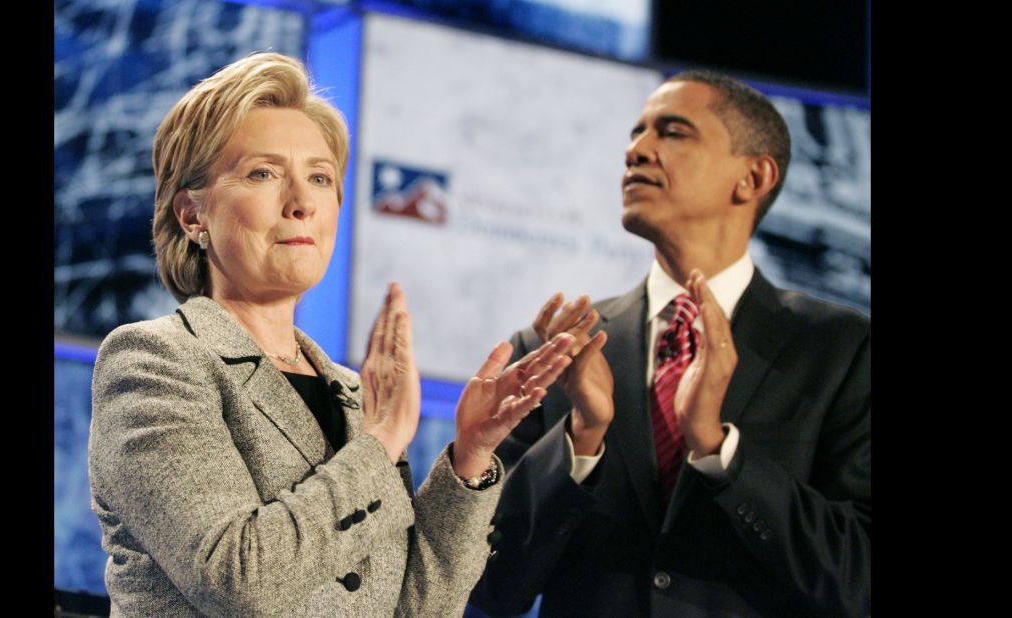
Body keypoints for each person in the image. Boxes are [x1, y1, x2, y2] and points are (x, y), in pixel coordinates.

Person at [87, 52, 575, 617]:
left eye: (319, 178)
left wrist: (469, 457)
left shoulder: (350, 391)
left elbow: (418, 608)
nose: (301, 203)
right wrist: (382, 440)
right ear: (193, 216)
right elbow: (238, 579)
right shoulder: (154, 362)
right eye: (263, 174)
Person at [469, 70, 870, 617]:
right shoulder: (555, 351)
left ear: (753, 176)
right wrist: (582, 439)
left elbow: (859, 577)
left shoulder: (842, 350)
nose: (637, 150)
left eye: (673, 132)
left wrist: (718, 450)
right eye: (636, 133)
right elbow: (492, 587)